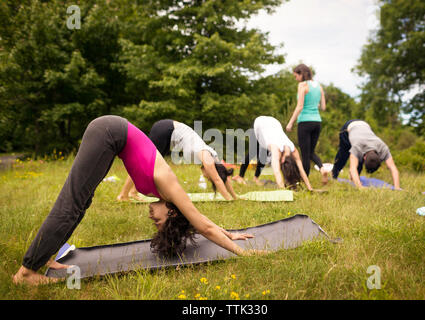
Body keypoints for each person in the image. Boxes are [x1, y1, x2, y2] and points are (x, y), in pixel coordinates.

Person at [13, 116, 260, 286]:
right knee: (71, 204)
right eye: (159, 222)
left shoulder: (170, 199)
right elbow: (201, 224)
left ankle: (45, 255)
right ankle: (26, 273)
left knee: (81, 203)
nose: (153, 218)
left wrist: (229, 233)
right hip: (110, 131)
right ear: (172, 213)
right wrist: (242, 253)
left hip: (112, 137)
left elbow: (197, 219)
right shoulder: (171, 189)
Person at [117, 119, 238, 201]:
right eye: (208, 177)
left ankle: (132, 192)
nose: (206, 177)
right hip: (166, 129)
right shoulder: (207, 158)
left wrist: (235, 197)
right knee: (145, 163)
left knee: (149, 164)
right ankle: (123, 195)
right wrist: (229, 200)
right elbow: (217, 179)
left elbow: (224, 176)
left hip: (169, 132)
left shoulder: (214, 158)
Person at [234, 116, 314, 191]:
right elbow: (276, 171)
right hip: (260, 124)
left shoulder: (293, 150)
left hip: (273, 124)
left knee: (264, 155)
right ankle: (240, 177)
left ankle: (255, 178)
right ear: (282, 160)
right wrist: (283, 190)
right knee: (253, 151)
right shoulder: (276, 149)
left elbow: (301, 169)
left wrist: (309, 187)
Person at [286, 64, 328, 184]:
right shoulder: (318, 86)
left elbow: (299, 106)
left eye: (296, 76)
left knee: (305, 154)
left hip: (304, 121)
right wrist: (315, 104)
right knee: (311, 152)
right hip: (317, 122)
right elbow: (323, 107)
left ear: (301, 74)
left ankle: (304, 181)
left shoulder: (302, 85)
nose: (296, 79)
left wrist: (290, 123)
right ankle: (322, 168)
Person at [331, 119, 401, 190]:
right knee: (343, 156)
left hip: (365, 126)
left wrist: (397, 187)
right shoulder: (357, 146)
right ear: (365, 158)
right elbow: (352, 168)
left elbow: (393, 168)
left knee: (359, 164)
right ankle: (333, 176)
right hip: (348, 128)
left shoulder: (383, 148)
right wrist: (360, 187)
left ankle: (353, 180)